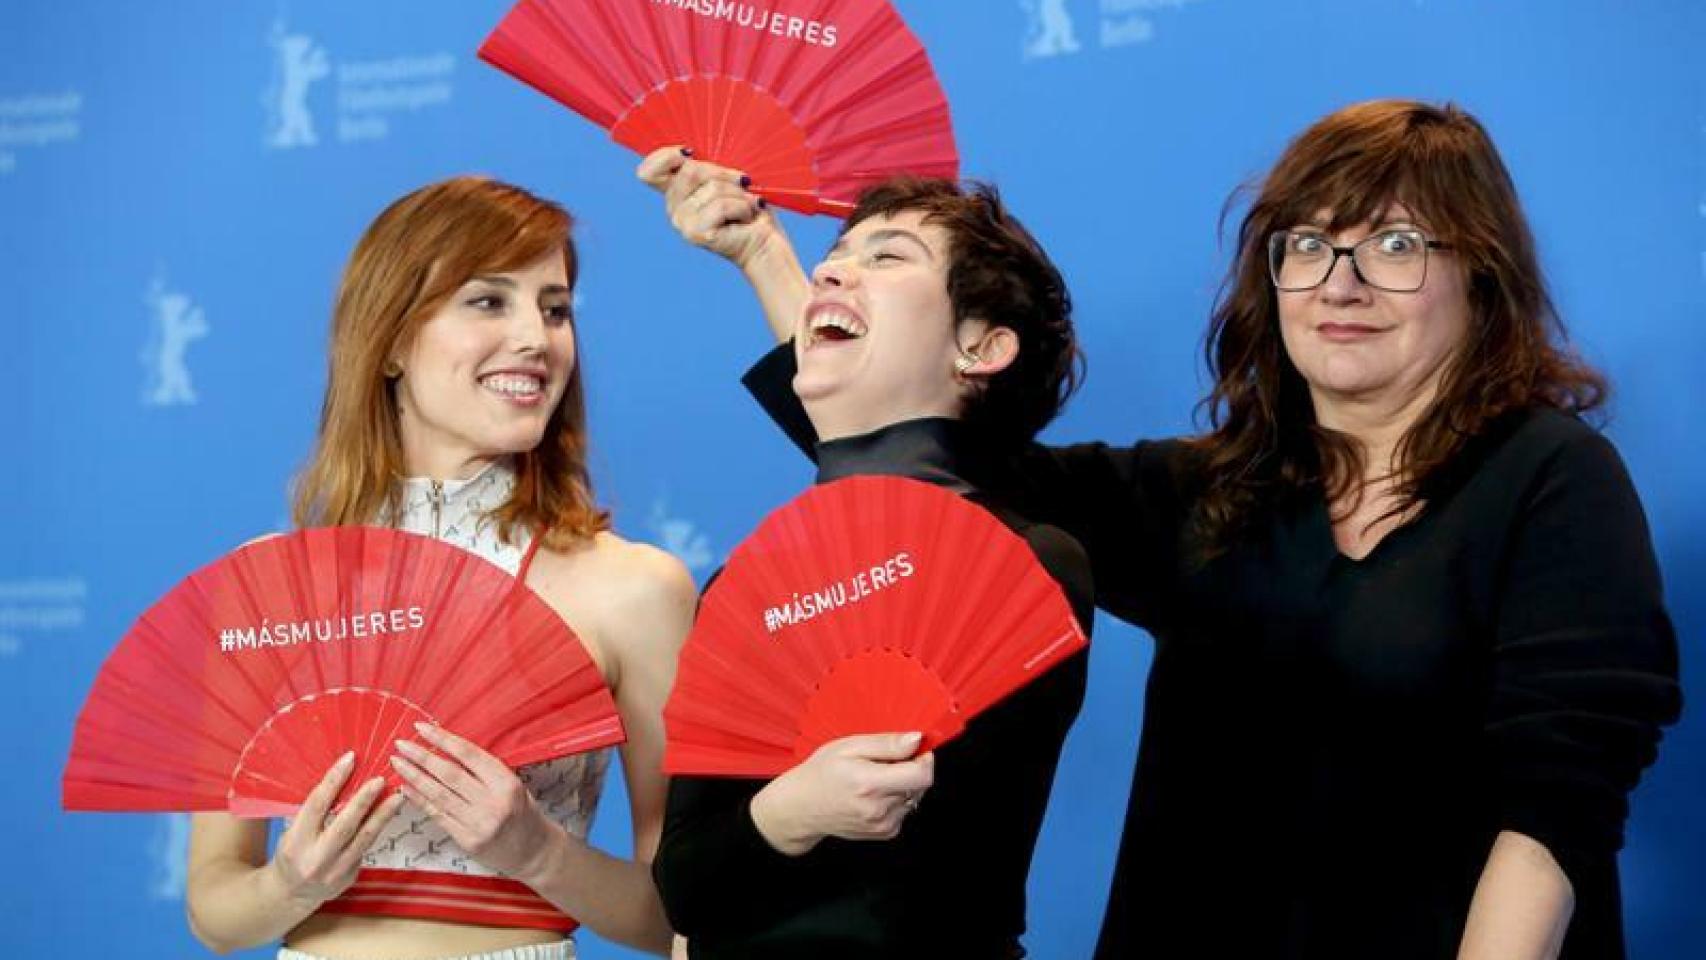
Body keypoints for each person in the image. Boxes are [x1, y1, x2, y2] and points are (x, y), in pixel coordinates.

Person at [640, 99, 1682, 959]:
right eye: (1307, 244)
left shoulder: (1550, 478)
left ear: (1482, 274)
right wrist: (768, 259)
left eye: (1396, 246)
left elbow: (1554, 807)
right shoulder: (1210, 490)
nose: (1341, 283)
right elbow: (919, 455)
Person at [185, 176, 693, 960]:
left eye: (554, 309)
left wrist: (537, 851)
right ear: (389, 340)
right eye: (488, 301)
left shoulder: (632, 590)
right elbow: (214, 906)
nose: (536, 337)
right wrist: (291, 883)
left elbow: (682, 917)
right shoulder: (269, 585)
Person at [642, 172, 1094, 959]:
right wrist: (789, 812)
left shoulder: (1026, 565)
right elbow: (685, 885)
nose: (831, 271)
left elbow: (929, 886)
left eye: (889, 257)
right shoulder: (746, 587)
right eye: (836, 254)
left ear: (981, 347)